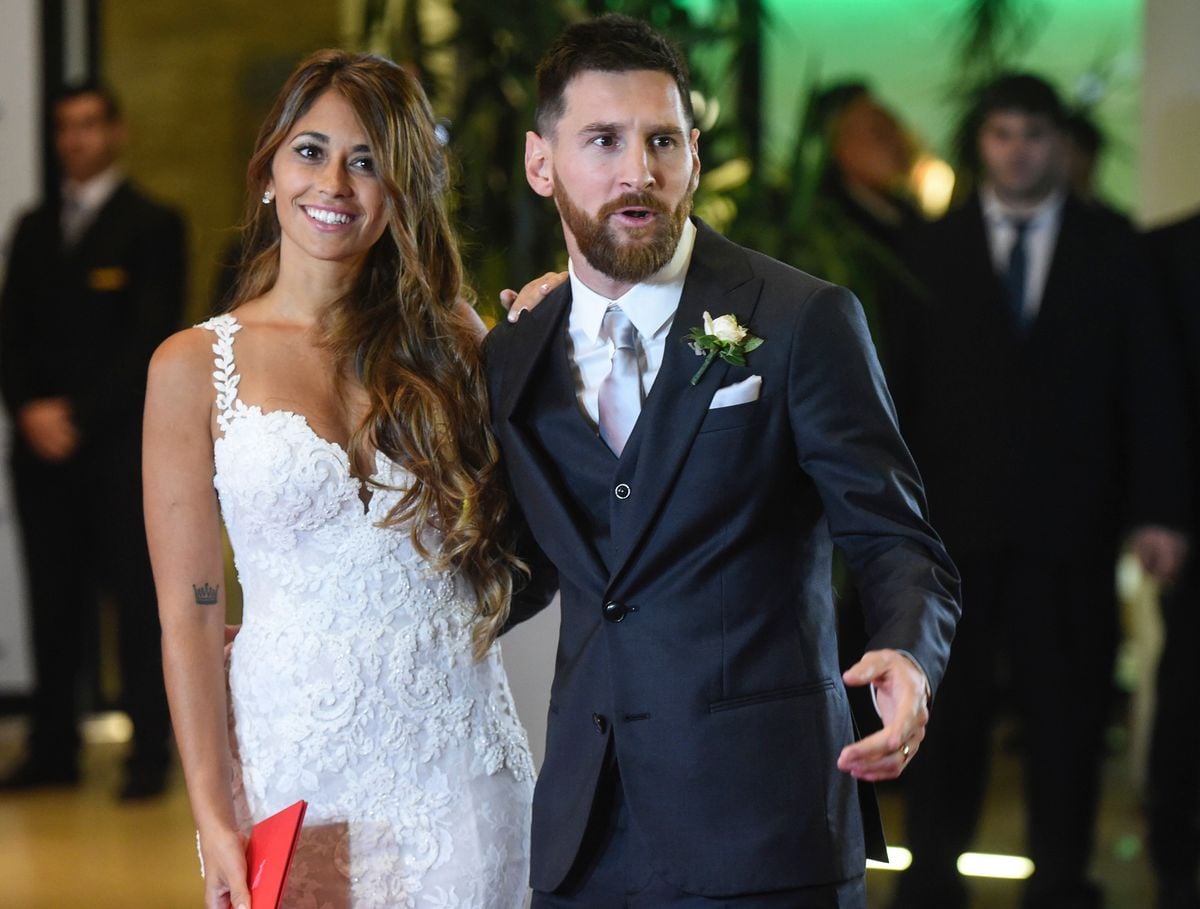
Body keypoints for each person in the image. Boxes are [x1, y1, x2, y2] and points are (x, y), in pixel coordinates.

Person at [483, 15, 961, 907]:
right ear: (540, 163)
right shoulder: (515, 356)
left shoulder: (800, 320)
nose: (640, 172)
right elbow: (521, 567)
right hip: (582, 840)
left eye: (663, 140)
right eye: (603, 141)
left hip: (765, 828)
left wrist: (906, 649)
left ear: (694, 156)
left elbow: (899, 539)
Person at [143, 51, 551, 909]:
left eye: (366, 160)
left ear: (401, 189)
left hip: (461, 766)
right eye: (311, 150)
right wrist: (215, 814)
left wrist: (561, 339)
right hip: (299, 770)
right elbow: (192, 609)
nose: (334, 181)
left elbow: (541, 518)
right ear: (268, 170)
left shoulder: (455, 339)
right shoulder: (192, 366)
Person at [891, 74, 1189, 909]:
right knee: (948, 716)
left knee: (1068, 713)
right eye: (1001, 134)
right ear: (979, 144)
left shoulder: (1117, 247)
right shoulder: (929, 248)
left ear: (1060, 144)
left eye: (1033, 134)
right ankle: (932, 876)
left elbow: (1153, 389)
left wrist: (1159, 511)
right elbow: (895, 392)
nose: (1018, 150)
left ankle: (1062, 881)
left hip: (1076, 526)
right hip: (950, 528)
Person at [0, 81, 185, 799]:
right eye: (63, 129)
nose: (74, 140)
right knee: (51, 599)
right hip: (39, 453)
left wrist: (76, 414)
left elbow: (151, 339)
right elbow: (9, 333)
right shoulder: (34, 226)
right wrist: (29, 410)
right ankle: (53, 747)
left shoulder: (152, 223)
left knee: (136, 601)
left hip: (116, 452)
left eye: (87, 125)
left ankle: (147, 752)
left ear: (116, 131)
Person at [1143, 208, 1200, 909]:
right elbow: (1156, 389)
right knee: (1188, 691)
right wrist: (1161, 512)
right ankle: (1175, 860)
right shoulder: (1168, 249)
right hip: (1196, 517)